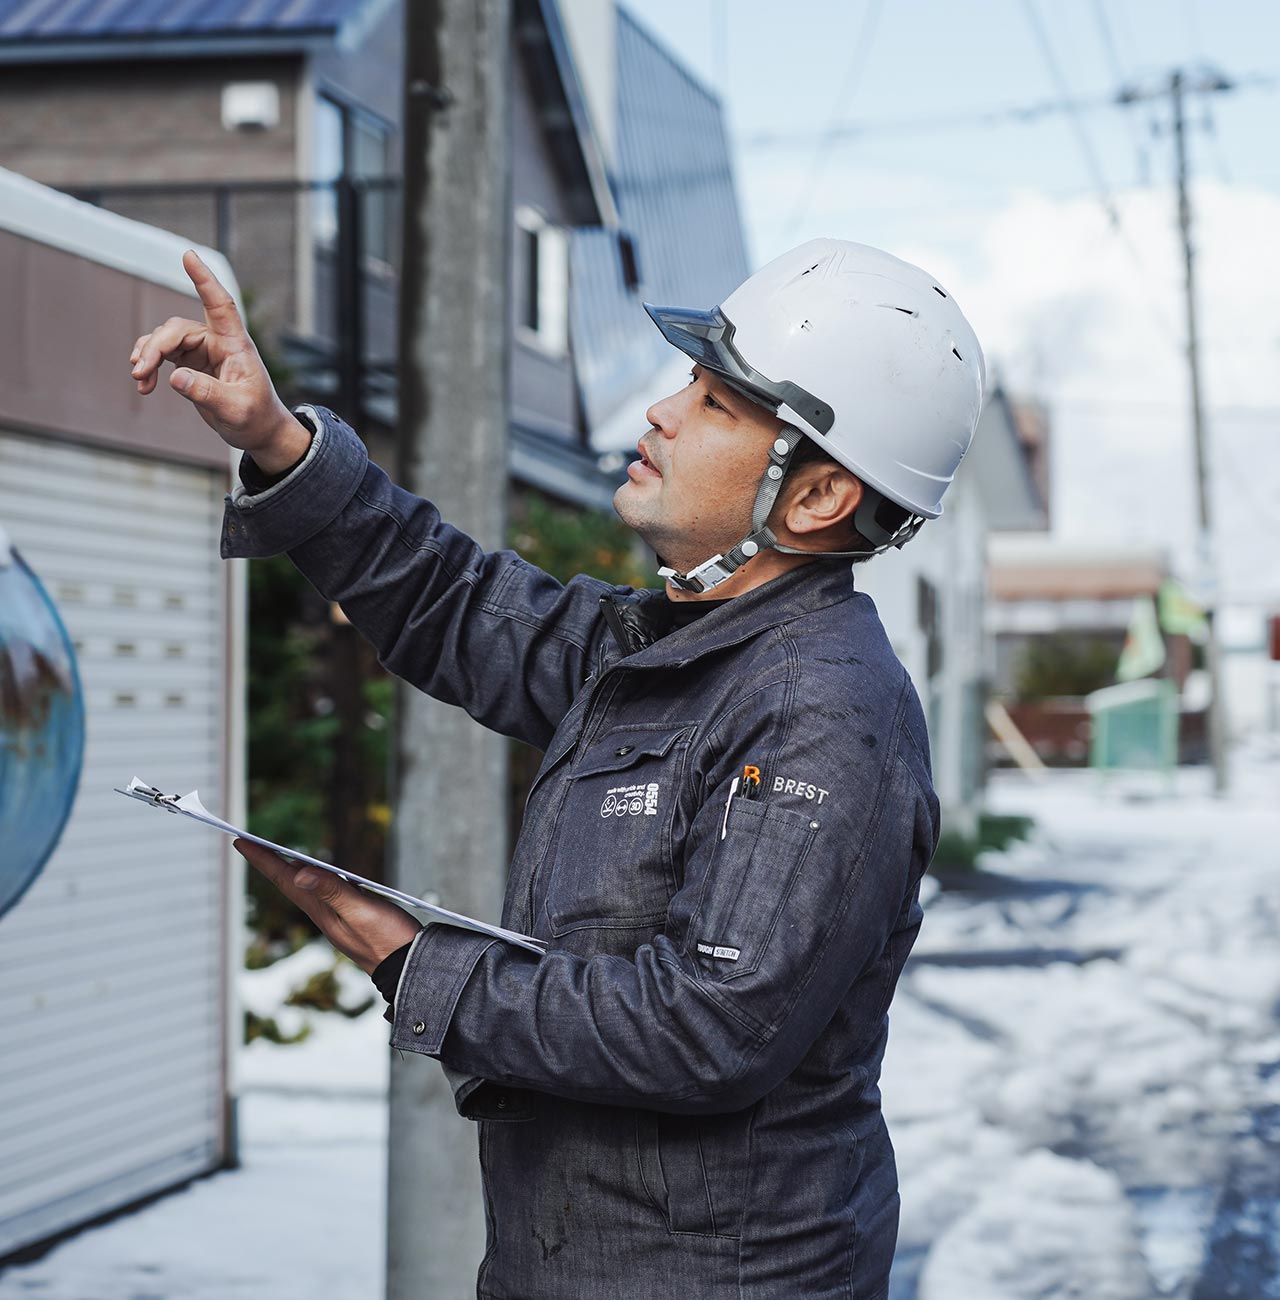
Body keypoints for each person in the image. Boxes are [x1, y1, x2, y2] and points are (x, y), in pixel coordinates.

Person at [130, 237, 984, 1299]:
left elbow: (709, 1028)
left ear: (811, 499)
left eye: (717, 404)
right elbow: (454, 603)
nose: (665, 411)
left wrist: (418, 964)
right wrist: (278, 441)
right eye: (691, 382)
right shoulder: (658, 650)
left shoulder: (821, 710)